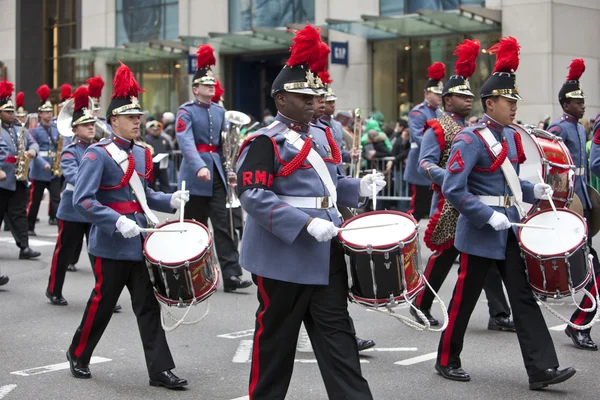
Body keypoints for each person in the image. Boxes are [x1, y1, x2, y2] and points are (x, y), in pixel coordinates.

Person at [236, 24, 380, 399]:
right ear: (281, 99)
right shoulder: (265, 141)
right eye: (304, 96)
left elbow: (329, 188)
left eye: (315, 95)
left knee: (339, 339)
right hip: (283, 256)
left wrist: (359, 188)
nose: (314, 102)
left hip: (325, 250)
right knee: (276, 344)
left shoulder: (320, 135)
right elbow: (253, 194)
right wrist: (303, 225)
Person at [435, 36, 575, 390]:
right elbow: (454, 188)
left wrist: (534, 190)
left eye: (514, 100)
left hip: (508, 230)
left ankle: (542, 369)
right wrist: (485, 215)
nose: (513, 107)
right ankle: (446, 359)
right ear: (489, 103)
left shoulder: (511, 138)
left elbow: (511, 183)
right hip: (482, 231)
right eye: (507, 100)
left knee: (523, 298)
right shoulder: (470, 139)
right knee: (464, 302)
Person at [66, 62, 189, 389]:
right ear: (113, 121)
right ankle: (78, 353)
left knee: (148, 306)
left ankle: (159, 370)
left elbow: (145, 194)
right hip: (109, 243)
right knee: (102, 304)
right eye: (131, 117)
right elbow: (83, 200)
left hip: (140, 242)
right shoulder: (97, 154)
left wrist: (170, 200)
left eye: (139, 116)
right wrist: (115, 221)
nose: (138, 121)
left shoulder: (144, 154)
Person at [412, 39, 514, 331]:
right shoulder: (437, 127)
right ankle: (420, 303)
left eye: (470, 95)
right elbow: (425, 164)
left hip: (474, 201)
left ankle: (499, 313)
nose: (468, 99)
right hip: (449, 201)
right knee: (444, 256)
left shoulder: (473, 129)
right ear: (446, 101)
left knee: (487, 256)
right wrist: (454, 179)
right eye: (461, 96)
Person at [175, 44, 251, 292]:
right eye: (205, 85)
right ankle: (191, 276)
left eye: (212, 85)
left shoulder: (220, 111)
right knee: (194, 229)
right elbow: (185, 142)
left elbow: (223, 145)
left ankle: (231, 275)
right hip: (194, 177)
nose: (211, 87)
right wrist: (198, 166)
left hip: (216, 174)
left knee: (224, 225)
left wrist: (229, 169)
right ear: (195, 89)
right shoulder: (185, 111)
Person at [547, 59, 600, 351]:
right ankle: (578, 324)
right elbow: (556, 168)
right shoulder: (560, 128)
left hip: (583, 197)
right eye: (577, 102)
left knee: (588, 262)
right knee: (588, 265)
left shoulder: (580, 129)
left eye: (583, 101)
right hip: (570, 199)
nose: (582, 106)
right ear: (565, 104)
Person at [46, 86, 98, 306]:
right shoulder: (70, 151)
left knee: (98, 254)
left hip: (94, 209)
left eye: (92, 124)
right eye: (86, 125)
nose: (91, 127)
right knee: (64, 252)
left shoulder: (99, 148)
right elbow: (73, 177)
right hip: (72, 210)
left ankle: (104, 295)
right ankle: (53, 290)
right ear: (75, 129)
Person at [0, 79, 41, 259]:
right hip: (2, 179)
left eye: (12, 111)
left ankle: (24, 247)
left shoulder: (19, 128)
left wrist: (32, 150)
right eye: (7, 111)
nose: (11, 114)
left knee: (19, 214)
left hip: (19, 177)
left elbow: (33, 143)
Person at [403, 62, 444, 222]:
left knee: (434, 207)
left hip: (436, 166)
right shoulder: (418, 112)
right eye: (436, 93)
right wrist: (442, 148)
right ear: (427, 94)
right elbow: (420, 138)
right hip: (420, 166)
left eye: (441, 92)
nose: (440, 95)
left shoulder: (440, 113)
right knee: (417, 208)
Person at [28, 85, 61, 234]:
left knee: (56, 199)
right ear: (40, 114)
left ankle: (60, 225)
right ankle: (30, 227)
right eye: (45, 112)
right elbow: (34, 148)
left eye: (49, 112)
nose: (48, 115)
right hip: (40, 170)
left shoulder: (56, 128)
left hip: (54, 170)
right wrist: (43, 164)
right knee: (35, 201)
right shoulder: (35, 130)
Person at [144, 120, 173, 192]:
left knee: (165, 184)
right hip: (151, 166)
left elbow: (170, 150)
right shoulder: (146, 140)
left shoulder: (164, 139)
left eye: (157, 129)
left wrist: (167, 154)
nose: (156, 131)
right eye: (154, 129)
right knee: (151, 185)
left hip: (162, 165)